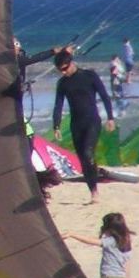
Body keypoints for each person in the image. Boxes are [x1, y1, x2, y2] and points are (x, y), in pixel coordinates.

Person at [52, 50, 115, 204]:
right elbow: (58, 106)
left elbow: (105, 96)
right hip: (76, 124)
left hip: (92, 121)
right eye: (60, 70)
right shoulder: (62, 83)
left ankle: (95, 190)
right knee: (83, 160)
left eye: (65, 68)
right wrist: (57, 126)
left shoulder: (89, 75)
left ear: (72, 63)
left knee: (88, 154)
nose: (64, 72)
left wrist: (110, 118)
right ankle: (93, 191)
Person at [63, 213, 134, 278]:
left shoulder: (111, 241)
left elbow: (91, 241)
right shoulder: (126, 239)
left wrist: (72, 234)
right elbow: (127, 264)